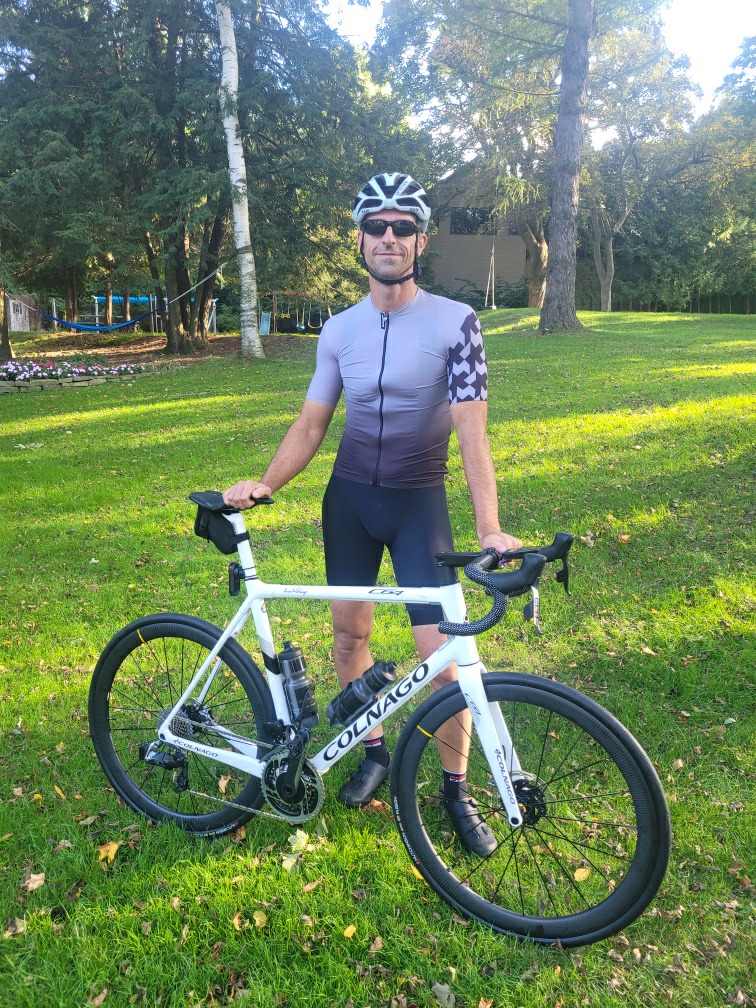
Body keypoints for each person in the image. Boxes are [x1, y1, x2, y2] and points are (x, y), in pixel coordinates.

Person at [224, 172, 522, 856]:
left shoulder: (456, 322)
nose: (389, 237)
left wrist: (488, 528)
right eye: (377, 226)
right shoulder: (338, 329)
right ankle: (375, 751)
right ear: (359, 238)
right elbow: (311, 423)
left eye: (403, 227)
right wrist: (266, 483)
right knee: (349, 636)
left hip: (420, 504)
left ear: (420, 240)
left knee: (441, 663)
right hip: (350, 502)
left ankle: (455, 787)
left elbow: (473, 433)